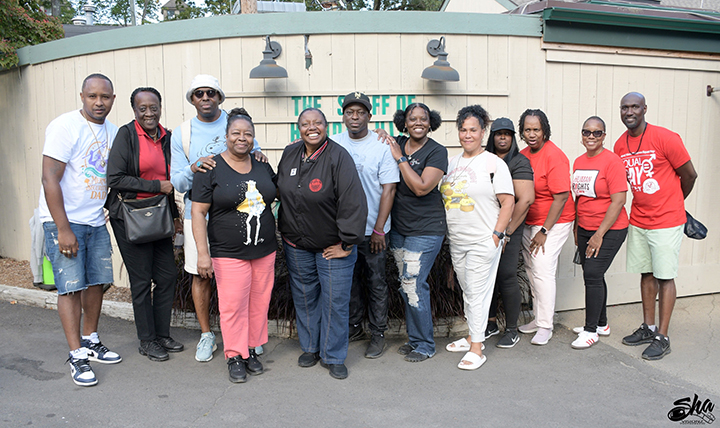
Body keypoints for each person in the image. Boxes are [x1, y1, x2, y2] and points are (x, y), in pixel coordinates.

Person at [170, 74, 267, 363]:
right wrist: (194, 167)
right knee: (201, 273)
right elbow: (178, 182)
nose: (205, 98)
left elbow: (253, 157)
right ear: (192, 99)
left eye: (211, 93)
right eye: (199, 93)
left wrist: (261, 157)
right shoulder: (183, 133)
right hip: (198, 214)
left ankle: (247, 337)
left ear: (219, 97)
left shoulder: (236, 124)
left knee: (244, 280)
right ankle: (206, 334)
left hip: (236, 215)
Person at [39, 73, 122, 386]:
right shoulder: (65, 126)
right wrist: (63, 228)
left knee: (97, 283)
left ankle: (90, 340)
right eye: (92, 96)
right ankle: (76, 355)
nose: (99, 102)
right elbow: (49, 178)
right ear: (82, 96)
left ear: (113, 99)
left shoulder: (113, 131)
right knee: (71, 286)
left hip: (95, 220)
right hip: (65, 220)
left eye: (105, 97)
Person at [277, 108, 367, 380]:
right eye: (306, 123)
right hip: (297, 244)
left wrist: (347, 244)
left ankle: (334, 355)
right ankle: (310, 347)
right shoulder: (290, 153)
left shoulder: (339, 156)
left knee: (334, 302)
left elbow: (353, 202)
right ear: (299, 128)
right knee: (305, 299)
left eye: (317, 123)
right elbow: (278, 188)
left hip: (333, 247)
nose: (312, 127)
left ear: (326, 126)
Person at [191, 108, 277, 383]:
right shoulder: (210, 168)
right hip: (228, 252)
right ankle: (234, 355)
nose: (242, 138)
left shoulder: (262, 165)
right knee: (233, 305)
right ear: (226, 136)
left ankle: (250, 349)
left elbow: (276, 194)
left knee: (258, 303)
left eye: (248, 134)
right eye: (236, 133)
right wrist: (202, 254)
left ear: (253, 138)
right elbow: (198, 212)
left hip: (264, 250)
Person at [614, 92, 697, 360]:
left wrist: (675, 201)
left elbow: (689, 174)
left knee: (665, 275)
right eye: (624, 107)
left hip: (667, 220)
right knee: (646, 273)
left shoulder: (666, 138)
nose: (629, 112)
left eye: (635, 107)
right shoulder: (620, 145)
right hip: (639, 219)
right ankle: (648, 328)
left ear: (645, 109)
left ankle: (662, 336)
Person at [106, 87, 183, 362]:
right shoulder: (126, 135)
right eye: (143, 108)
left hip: (159, 215)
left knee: (167, 276)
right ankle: (147, 340)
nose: (149, 113)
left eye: (154, 107)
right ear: (134, 110)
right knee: (141, 280)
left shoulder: (167, 137)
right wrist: (156, 186)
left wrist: (175, 216)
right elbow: (115, 178)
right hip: (130, 217)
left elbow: (171, 182)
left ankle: (162, 334)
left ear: (160, 108)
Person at [441, 106, 514, 370]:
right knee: (469, 291)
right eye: (463, 130)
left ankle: (477, 349)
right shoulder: (451, 163)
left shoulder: (494, 164)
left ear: (483, 132)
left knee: (475, 292)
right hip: (457, 240)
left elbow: (508, 202)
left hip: (483, 239)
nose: (467, 135)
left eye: (473, 130)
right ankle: (473, 336)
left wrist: (497, 235)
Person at [331, 92, 399, 359]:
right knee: (349, 282)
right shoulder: (334, 143)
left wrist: (379, 229)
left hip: (373, 231)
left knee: (376, 282)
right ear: (343, 116)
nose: (355, 117)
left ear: (369, 116)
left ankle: (378, 333)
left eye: (360, 112)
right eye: (350, 112)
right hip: (343, 231)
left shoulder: (381, 146)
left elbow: (389, 190)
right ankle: (355, 327)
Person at [386, 103, 447, 363]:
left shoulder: (437, 151)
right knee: (406, 285)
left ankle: (425, 345)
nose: (418, 123)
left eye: (423, 118)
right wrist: (381, 134)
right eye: (412, 118)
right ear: (404, 122)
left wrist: (400, 159)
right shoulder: (398, 142)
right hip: (400, 229)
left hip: (426, 229)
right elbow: (373, 139)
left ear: (431, 122)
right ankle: (415, 340)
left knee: (413, 283)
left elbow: (422, 187)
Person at [570, 116, 629, 349]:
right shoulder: (578, 161)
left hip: (610, 228)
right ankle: (602, 324)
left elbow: (619, 200)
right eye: (587, 132)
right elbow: (579, 198)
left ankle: (590, 330)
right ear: (582, 135)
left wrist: (599, 234)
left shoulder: (612, 162)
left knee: (592, 274)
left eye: (597, 133)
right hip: (585, 227)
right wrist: (577, 227)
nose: (591, 136)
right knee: (594, 274)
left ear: (604, 136)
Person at [518, 109, 575, 346]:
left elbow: (561, 197)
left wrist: (544, 231)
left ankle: (545, 326)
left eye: (536, 129)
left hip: (554, 222)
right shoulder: (522, 155)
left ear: (545, 131)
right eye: (527, 130)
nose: (532, 134)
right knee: (532, 269)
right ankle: (537, 317)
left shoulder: (554, 156)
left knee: (542, 269)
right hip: (529, 221)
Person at [484, 117, 535, 348]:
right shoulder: (485, 159)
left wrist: (508, 231)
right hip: (486, 225)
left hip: (510, 228)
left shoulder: (519, 161)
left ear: (513, 137)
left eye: (507, 133)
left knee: (506, 275)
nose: (502, 137)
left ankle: (512, 329)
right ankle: (491, 323)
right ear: (492, 137)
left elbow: (525, 200)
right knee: (488, 276)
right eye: (498, 133)